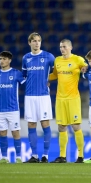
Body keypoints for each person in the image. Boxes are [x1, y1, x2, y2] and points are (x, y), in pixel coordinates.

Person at [49, 39, 88, 163]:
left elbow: (87, 67)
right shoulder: (57, 60)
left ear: (70, 47)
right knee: (61, 127)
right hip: (60, 98)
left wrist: (85, 69)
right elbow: (55, 75)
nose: (62, 49)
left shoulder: (78, 59)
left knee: (76, 126)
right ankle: (62, 156)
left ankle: (81, 156)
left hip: (73, 98)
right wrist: (43, 77)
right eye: (61, 47)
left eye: (64, 46)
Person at [22, 32, 55, 163]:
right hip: (30, 96)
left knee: (45, 123)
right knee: (31, 124)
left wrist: (49, 81)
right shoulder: (26, 58)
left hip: (43, 96)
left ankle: (45, 156)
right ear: (29, 43)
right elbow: (24, 76)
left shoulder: (48, 56)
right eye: (34, 41)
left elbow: (56, 72)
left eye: (39, 40)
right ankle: (34, 156)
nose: (37, 43)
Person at [0, 51, 25, 163]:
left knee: (15, 132)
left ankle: (18, 157)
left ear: (9, 60)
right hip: (0, 110)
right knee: (2, 133)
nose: (2, 61)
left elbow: (26, 84)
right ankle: (4, 157)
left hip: (13, 109)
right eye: (0, 59)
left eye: (4, 59)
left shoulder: (16, 73)